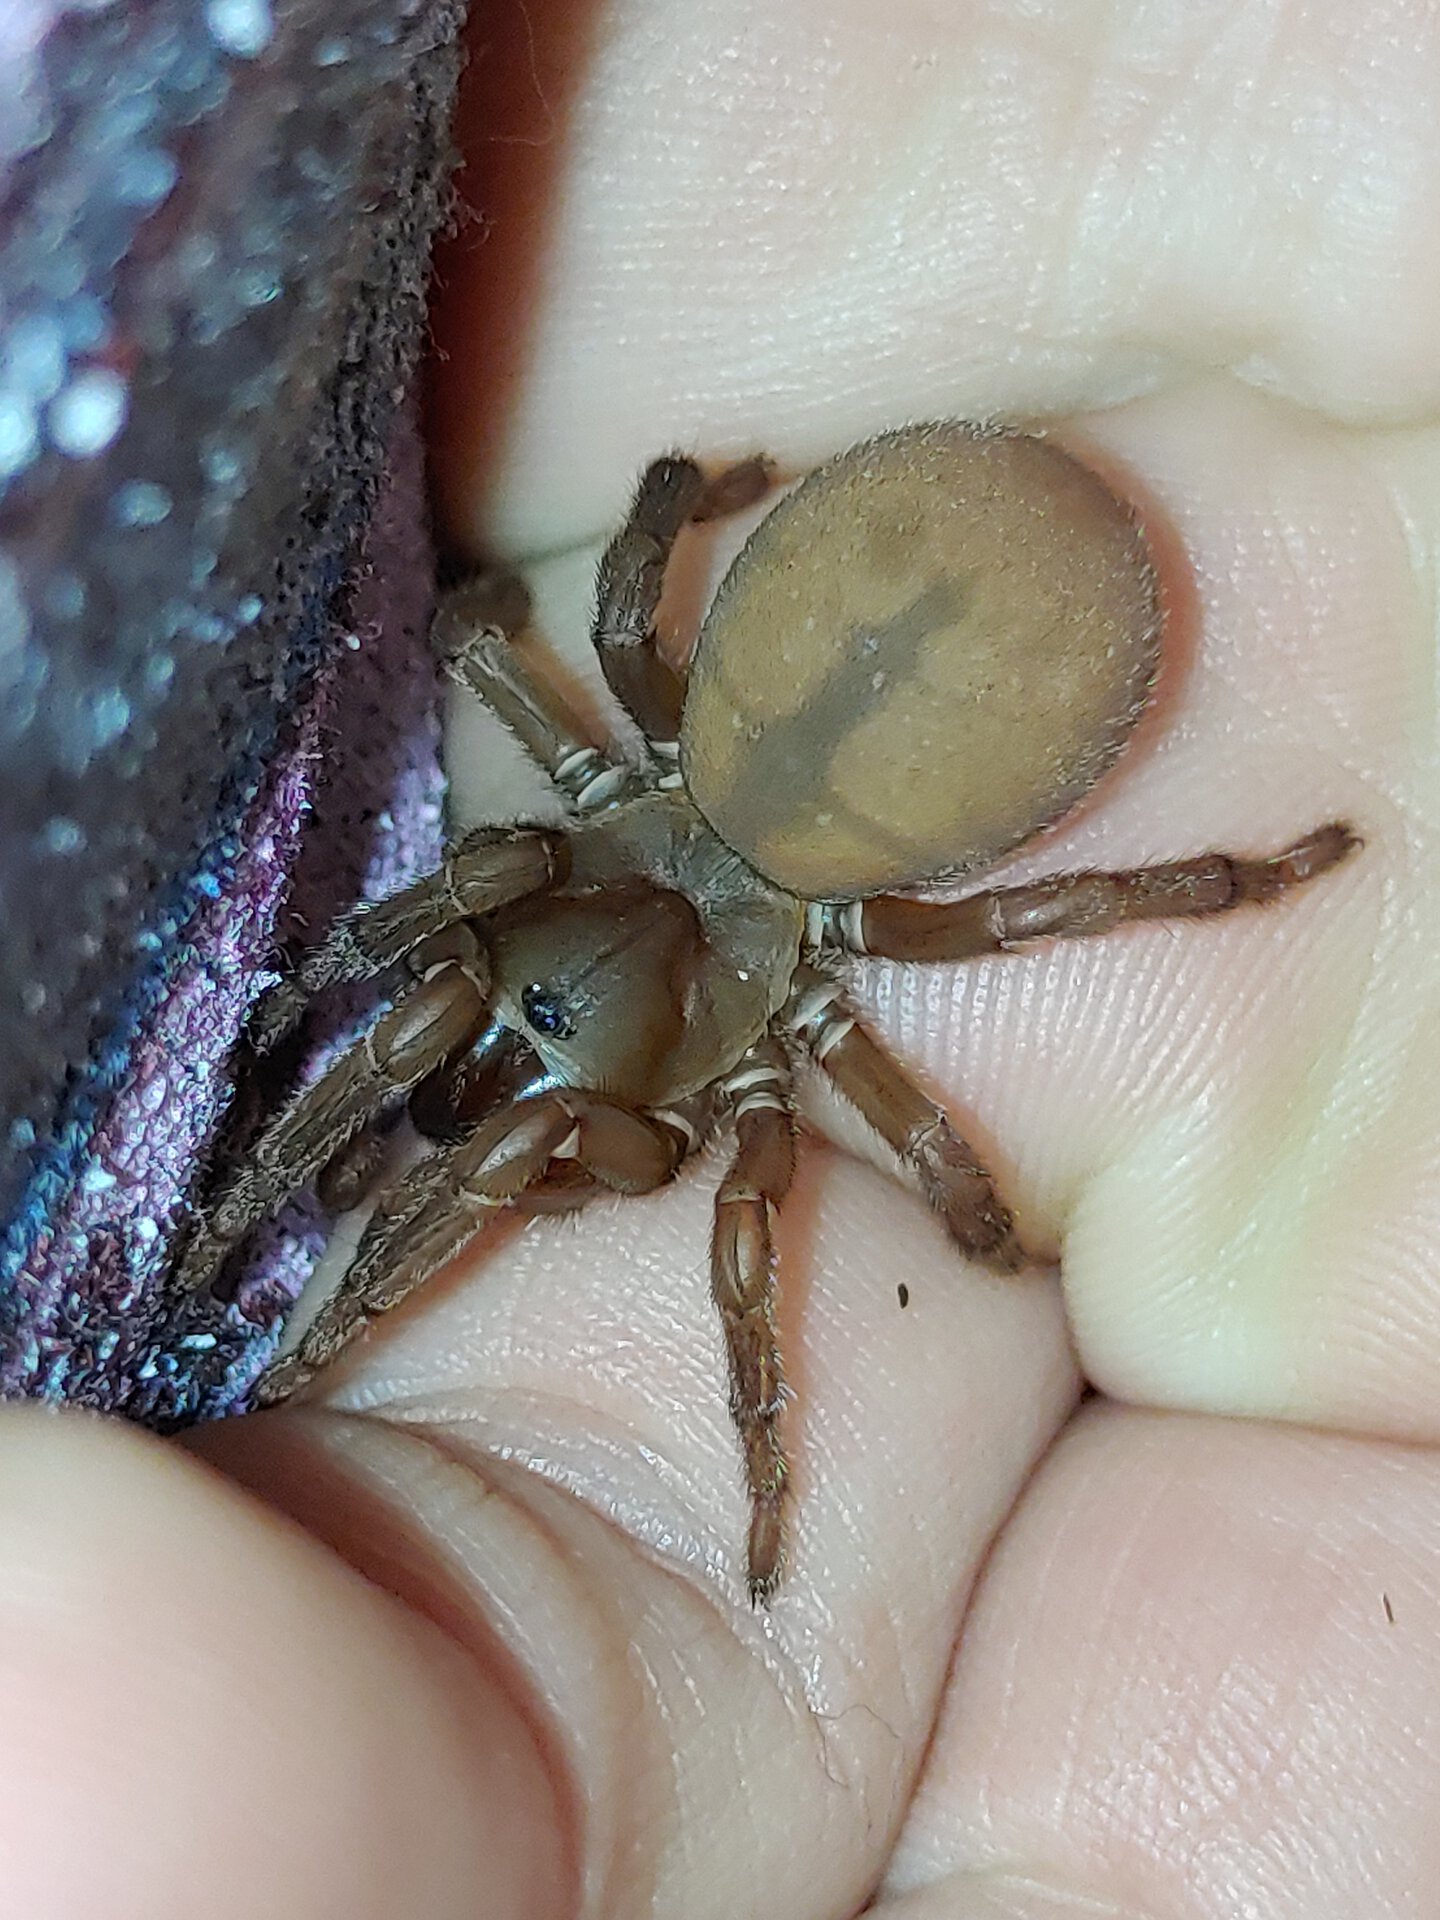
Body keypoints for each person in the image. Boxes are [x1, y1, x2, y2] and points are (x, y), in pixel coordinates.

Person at [7, 2, 1438, 1912]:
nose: (504, 1081)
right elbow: (578, 583)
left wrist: (1203, 929)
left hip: (892, 659)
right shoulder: (628, 863)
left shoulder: (654, 949)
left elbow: (587, 591)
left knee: (501, 1071)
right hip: (809, 700)